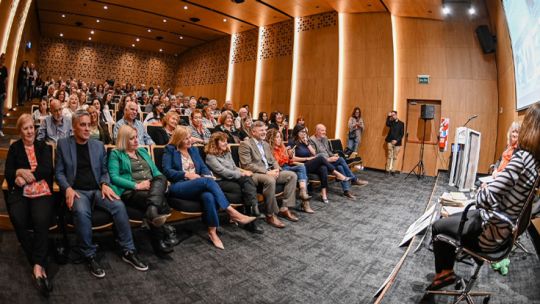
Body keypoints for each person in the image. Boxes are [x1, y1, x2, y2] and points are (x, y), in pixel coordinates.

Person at [427, 102, 540, 291]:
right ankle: (447, 271)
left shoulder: (521, 159)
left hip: (490, 233)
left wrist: (484, 188)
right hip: (504, 230)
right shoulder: (535, 163)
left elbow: (484, 199)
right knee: (453, 218)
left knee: (438, 227)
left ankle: (445, 274)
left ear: (529, 126)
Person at [56, 110, 148, 278]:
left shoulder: (98, 145)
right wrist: (67, 188)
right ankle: (89, 255)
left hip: (98, 189)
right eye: (82, 125)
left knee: (119, 205)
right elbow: (59, 172)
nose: (86, 129)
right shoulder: (63, 144)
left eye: (88, 125)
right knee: (82, 212)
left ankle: (128, 250)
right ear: (74, 127)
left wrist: (105, 184)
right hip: (78, 191)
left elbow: (105, 171)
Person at [162, 126, 256, 249]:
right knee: (207, 182)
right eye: (186, 139)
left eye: (190, 137)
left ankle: (212, 232)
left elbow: (202, 167)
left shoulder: (193, 150)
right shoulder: (170, 149)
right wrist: (186, 174)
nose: (190, 140)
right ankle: (232, 212)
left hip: (198, 184)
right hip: (178, 185)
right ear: (178, 139)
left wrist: (207, 174)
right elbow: (167, 171)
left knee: (208, 196)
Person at [5, 114, 54, 296]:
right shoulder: (15, 148)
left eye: (31, 127)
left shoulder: (43, 147)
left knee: (41, 219)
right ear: (20, 131)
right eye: (25, 128)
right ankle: (38, 258)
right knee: (17, 217)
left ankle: (38, 266)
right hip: (21, 193)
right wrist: (18, 171)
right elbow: (8, 172)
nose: (29, 131)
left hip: (41, 190)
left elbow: (46, 169)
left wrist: (25, 177)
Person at [108, 125, 173, 255]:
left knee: (161, 178)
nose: (137, 140)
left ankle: (152, 212)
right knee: (158, 200)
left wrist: (163, 183)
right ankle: (159, 240)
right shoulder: (116, 154)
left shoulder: (142, 151)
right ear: (124, 140)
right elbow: (114, 177)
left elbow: (155, 172)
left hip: (151, 188)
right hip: (131, 191)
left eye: (137, 137)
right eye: (132, 138)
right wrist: (136, 186)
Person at [239, 121, 299, 228]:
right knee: (270, 180)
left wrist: (277, 169)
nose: (264, 132)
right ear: (253, 132)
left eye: (265, 130)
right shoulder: (245, 144)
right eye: (261, 130)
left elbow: (273, 160)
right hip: (255, 174)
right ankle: (270, 214)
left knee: (292, 175)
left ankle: (284, 208)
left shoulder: (266, 144)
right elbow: (247, 165)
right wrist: (267, 172)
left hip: (270, 171)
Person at [205, 132, 263, 234]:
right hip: (220, 181)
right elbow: (223, 172)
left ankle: (251, 214)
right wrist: (241, 174)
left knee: (248, 181)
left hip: (232, 178)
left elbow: (234, 167)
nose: (225, 143)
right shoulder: (210, 157)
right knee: (244, 185)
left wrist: (243, 172)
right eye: (222, 141)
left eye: (226, 141)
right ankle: (253, 214)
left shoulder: (227, 152)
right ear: (215, 142)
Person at [288, 125, 352, 203]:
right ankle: (337, 174)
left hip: (309, 163)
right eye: (302, 132)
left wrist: (307, 144)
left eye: (305, 132)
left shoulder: (305, 141)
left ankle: (324, 193)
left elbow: (314, 153)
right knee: (321, 157)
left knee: (323, 168)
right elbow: (292, 158)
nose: (304, 133)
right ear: (297, 132)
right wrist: (307, 158)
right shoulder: (292, 142)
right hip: (301, 166)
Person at [266, 128, 313, 213]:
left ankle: (302, 191)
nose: (280, 139)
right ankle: (305, 204)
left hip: (287, 166)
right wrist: (286, 158)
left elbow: (288, 160)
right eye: (277, 137)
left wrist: (290, 156)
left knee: (302, 168)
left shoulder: (282, 147)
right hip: (280, 169)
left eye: (280, 137)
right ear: (271, 138)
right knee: (303, 176)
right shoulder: (269, 149)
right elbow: (275, 163)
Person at [310, 124, 368, 193]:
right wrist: (328, 159)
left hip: (329, 160)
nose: (324, 132)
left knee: (340, 166)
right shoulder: (311, 140)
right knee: (341, 159)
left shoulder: (325, 138)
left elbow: (328, 151)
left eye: (325, 130)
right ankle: (353, 180)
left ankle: (346, 191)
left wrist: (333, 155)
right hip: (321, 163)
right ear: (317, 131)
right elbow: (315, 155)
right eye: (322, 130)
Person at [385, 110, 404, 176]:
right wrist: (388, 116)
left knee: (395, 157)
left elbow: (402, 134)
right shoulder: (391, 122)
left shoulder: (401, 123)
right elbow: (387, 124)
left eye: (393, 115)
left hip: (397, 143)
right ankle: (387, 170)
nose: (392, 116)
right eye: (391, 115)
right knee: (389, 156)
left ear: (396, 115)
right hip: (390, 141)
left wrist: (396, 140)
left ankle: (393, 170)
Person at [0, 53, 7, 137]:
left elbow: (6, 82)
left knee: (1, 112)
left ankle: (0, 129)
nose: (3, 60)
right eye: (2, 58)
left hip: (2, 93)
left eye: (4, 59)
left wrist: (5, 92)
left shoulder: (5, 69)